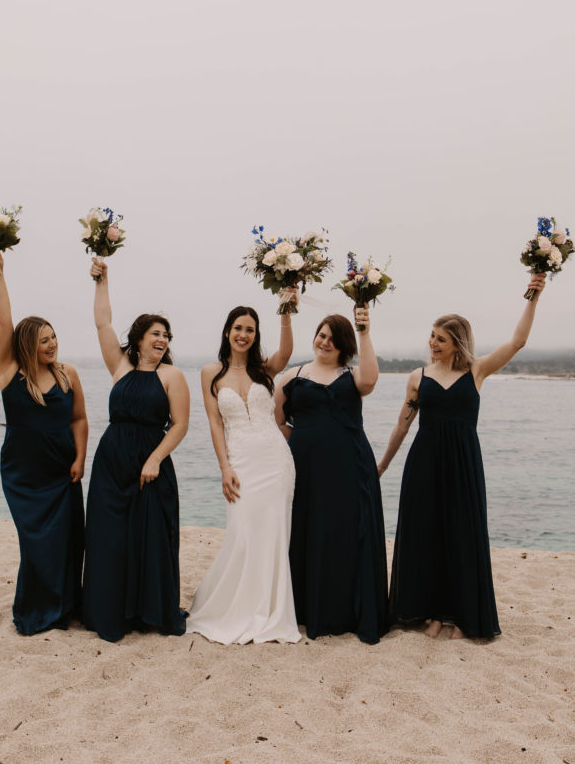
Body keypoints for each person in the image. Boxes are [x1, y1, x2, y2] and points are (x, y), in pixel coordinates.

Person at [378, 274, 546, 640]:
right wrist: (382, 465)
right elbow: (402, 427)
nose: (432, 343)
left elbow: (518, 341)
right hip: (424, 464)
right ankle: (429, 613)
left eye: (440, 338)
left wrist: (533, 294)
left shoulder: (477, 370)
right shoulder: (418, 378)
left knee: (461, 534)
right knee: (426, 534)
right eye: (432, 337)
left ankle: (456, 615)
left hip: (464, 465)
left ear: (457, 343)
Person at [82, 258, 190, 642]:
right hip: (112, 463)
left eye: (167, 336)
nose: (163, 340)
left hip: (151, 466)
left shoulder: (172, 376)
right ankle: (109, 608)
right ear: (141, 336)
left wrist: (155, 459)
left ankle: (147, 609)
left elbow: (179, 425)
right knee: (109, 535)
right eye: (157, 334)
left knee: (150, 539)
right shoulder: (121, 365)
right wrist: (102, 280)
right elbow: (102, 323)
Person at [187, 299, 301, 644]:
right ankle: (236, 606)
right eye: (238, 328)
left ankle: (269, 610)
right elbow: (214, 423)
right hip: (240, 461)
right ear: (227, 331)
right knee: (243, 532)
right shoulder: (211, 373)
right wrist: (224, 467)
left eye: (250, 330)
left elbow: (286, 350)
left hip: (275, 461)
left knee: (274, 534)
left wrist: (285, 308)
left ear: (255, 335)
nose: (243, 334)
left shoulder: (265, 371)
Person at [0, 249, 87, 635]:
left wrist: (80, 457)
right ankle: (35, 609)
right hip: (23, 474)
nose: (52, 344)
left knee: (67, 541)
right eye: (44, 340)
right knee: (36, 543)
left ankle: (64, 608)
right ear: (28, 344)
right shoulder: (10, 370)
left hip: (62, 469)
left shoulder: (67, 373)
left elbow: (79, 418)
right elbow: (3, 320)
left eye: (54, 337)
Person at [275, 307, 388, 645]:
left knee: (346, 532)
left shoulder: (351, 375)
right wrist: (304, 444)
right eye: (321, 335)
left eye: (333, 339)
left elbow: (370, 380)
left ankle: (347, 612)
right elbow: (277, 420)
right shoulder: (292, 376)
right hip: (306, 468)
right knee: (309, 531)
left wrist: (364, 331)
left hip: (350, 466)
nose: (324, 342)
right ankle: (307, 610)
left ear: (343, 346)